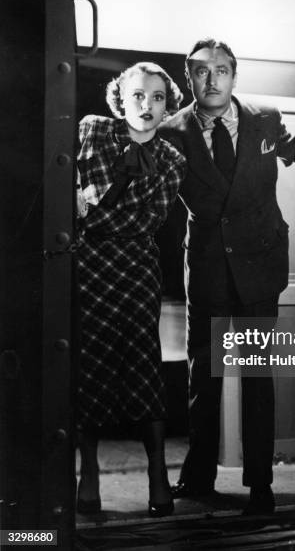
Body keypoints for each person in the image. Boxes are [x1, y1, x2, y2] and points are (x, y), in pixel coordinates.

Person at [159, 38, 295, 515]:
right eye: (200, 71)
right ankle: (198, 478)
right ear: (188, 76)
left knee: (257, 376)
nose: (210, 80)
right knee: (203, 379)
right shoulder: (172, 131)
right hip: (209, 269)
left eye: (220, 70)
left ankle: (260, 484)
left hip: (259, 265)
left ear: (235, 75)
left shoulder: (264, 117)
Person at [76, 62, 186, 518]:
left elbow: (148, 220)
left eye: (157, 97)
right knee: (89, 365)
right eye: (138, 96)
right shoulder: (95, 130)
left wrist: (104, 207)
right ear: (121, 100)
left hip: (139, 270)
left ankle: (157, 475)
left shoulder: (174, 160)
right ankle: (90, 476)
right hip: (90, 269)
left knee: (144, 365)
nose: (146, 105)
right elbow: (93, 213)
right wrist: (119, 184)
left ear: (167, 105)